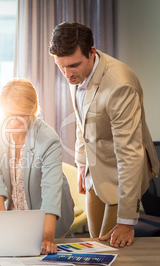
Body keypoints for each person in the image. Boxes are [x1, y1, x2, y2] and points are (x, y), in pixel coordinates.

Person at [49, 22, 159, 248]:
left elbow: (130, 153)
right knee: (93, 244)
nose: (67, 74)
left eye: (73, 66)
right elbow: (83, 121)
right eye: (61, 67)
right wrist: (81, 164)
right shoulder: (76, 72)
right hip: (93, 170)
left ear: (91, 52)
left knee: (111, 248)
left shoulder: (120, 86)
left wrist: (128, 221)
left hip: (121, 175)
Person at [0, 78, 74, 255]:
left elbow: (51, 191)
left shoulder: (49, 140)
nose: (13, 122)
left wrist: (47, 238)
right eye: (8, 114)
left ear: (33, 110)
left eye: (21, 115)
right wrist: (3, 223)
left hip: (47, 216)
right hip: (12, 213)